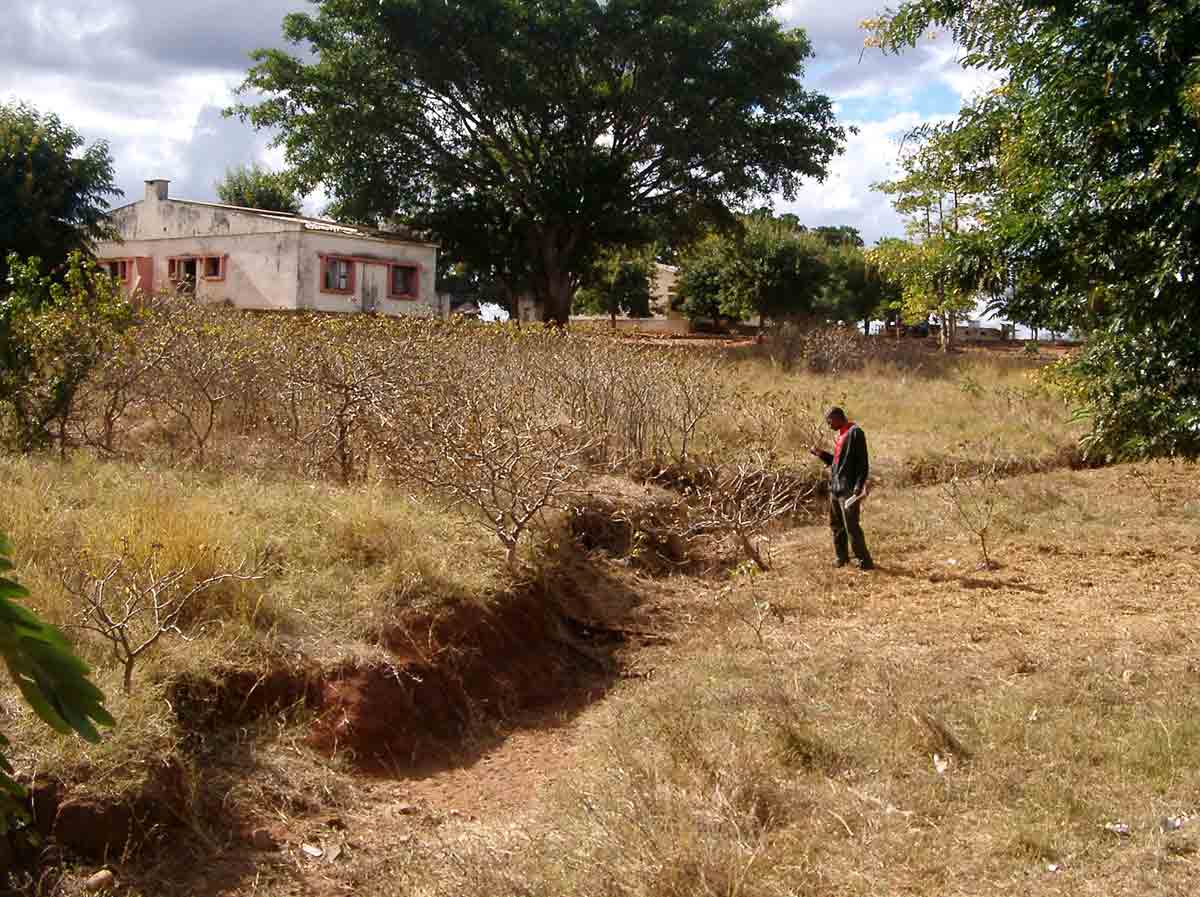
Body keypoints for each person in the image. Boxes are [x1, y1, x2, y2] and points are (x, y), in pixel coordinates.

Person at [809, 407, 873, 570]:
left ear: (838, 417)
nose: (829, 425)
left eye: (830, 421)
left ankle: (864, 561)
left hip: (848, 489)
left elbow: (862, 463)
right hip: (836, 488)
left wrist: (859, 485)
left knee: (851, 525)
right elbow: (838, 464)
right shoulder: (842, 435)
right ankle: (841, 558)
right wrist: (821, 454)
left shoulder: (855, 433)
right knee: (836, 525)